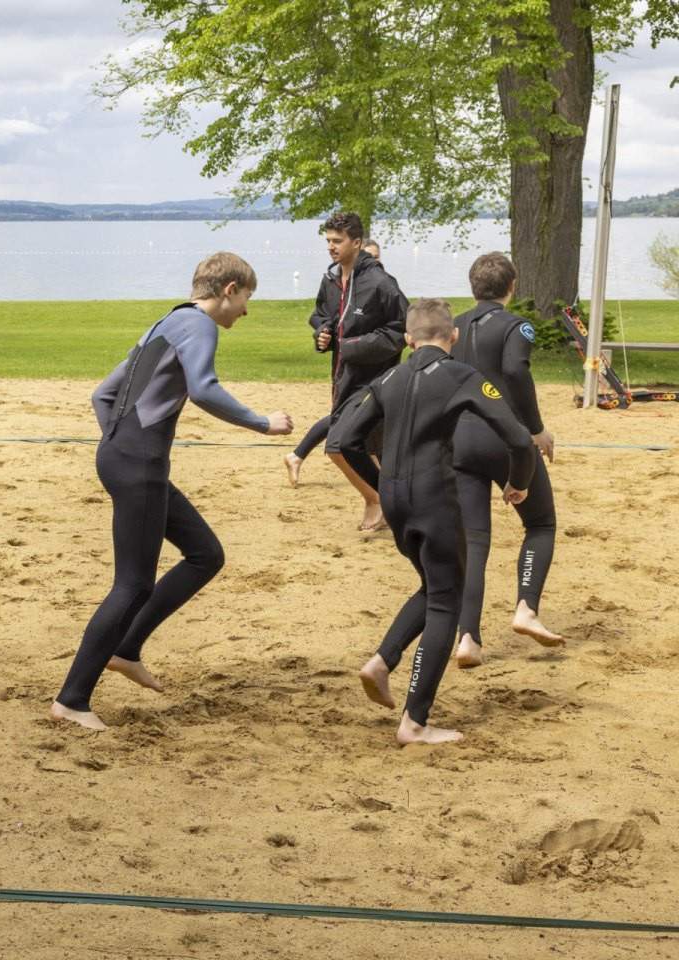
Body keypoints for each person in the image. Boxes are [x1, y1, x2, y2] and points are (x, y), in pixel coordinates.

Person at [51, 253, 294, 731]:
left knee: (204, 553)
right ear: (228, 289)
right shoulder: (199, 325)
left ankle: (127, 648)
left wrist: (118, 441)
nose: (245, 311)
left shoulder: (164, 323)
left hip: (128, 457)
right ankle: (72, 698)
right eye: (246, 299)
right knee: (133, 584)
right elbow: (203, 389)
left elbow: (102, 394)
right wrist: (262, 423)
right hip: (138, 462)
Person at [331, 298, 535, 745]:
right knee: (448, 599)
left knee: (433, 586)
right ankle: (415, 721)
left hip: (396, 498)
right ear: (454, 336)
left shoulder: (389, 377)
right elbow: (519, 438)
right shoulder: (462, 375)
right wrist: (518, 484)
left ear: (407, 338)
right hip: (432, 498)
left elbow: (343, 440)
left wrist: (377, 488)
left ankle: (383, 661)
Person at [452, 253, 563, 666]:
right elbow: (515, 371)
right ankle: (526, 608)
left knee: (474, 541)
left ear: (473, 287)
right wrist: (535, 428)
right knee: (540, 522)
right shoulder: (517, 325)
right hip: (505, 438)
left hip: (460, 441)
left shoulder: (454, 326)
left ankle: (468, 638)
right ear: (511, 286)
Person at [281, 214, 408, 531]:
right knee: (355, 447)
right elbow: (322, 315)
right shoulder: (331, 279)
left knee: (339, 445)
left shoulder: (381, 284)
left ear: (356, 242)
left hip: (374, 381)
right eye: (328, 241)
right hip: (342, 380)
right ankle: (384, 501)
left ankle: (378, 500)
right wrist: (322, 334)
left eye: (337, 241)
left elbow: (401, 331)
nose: (330, 247)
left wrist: (351, 346)